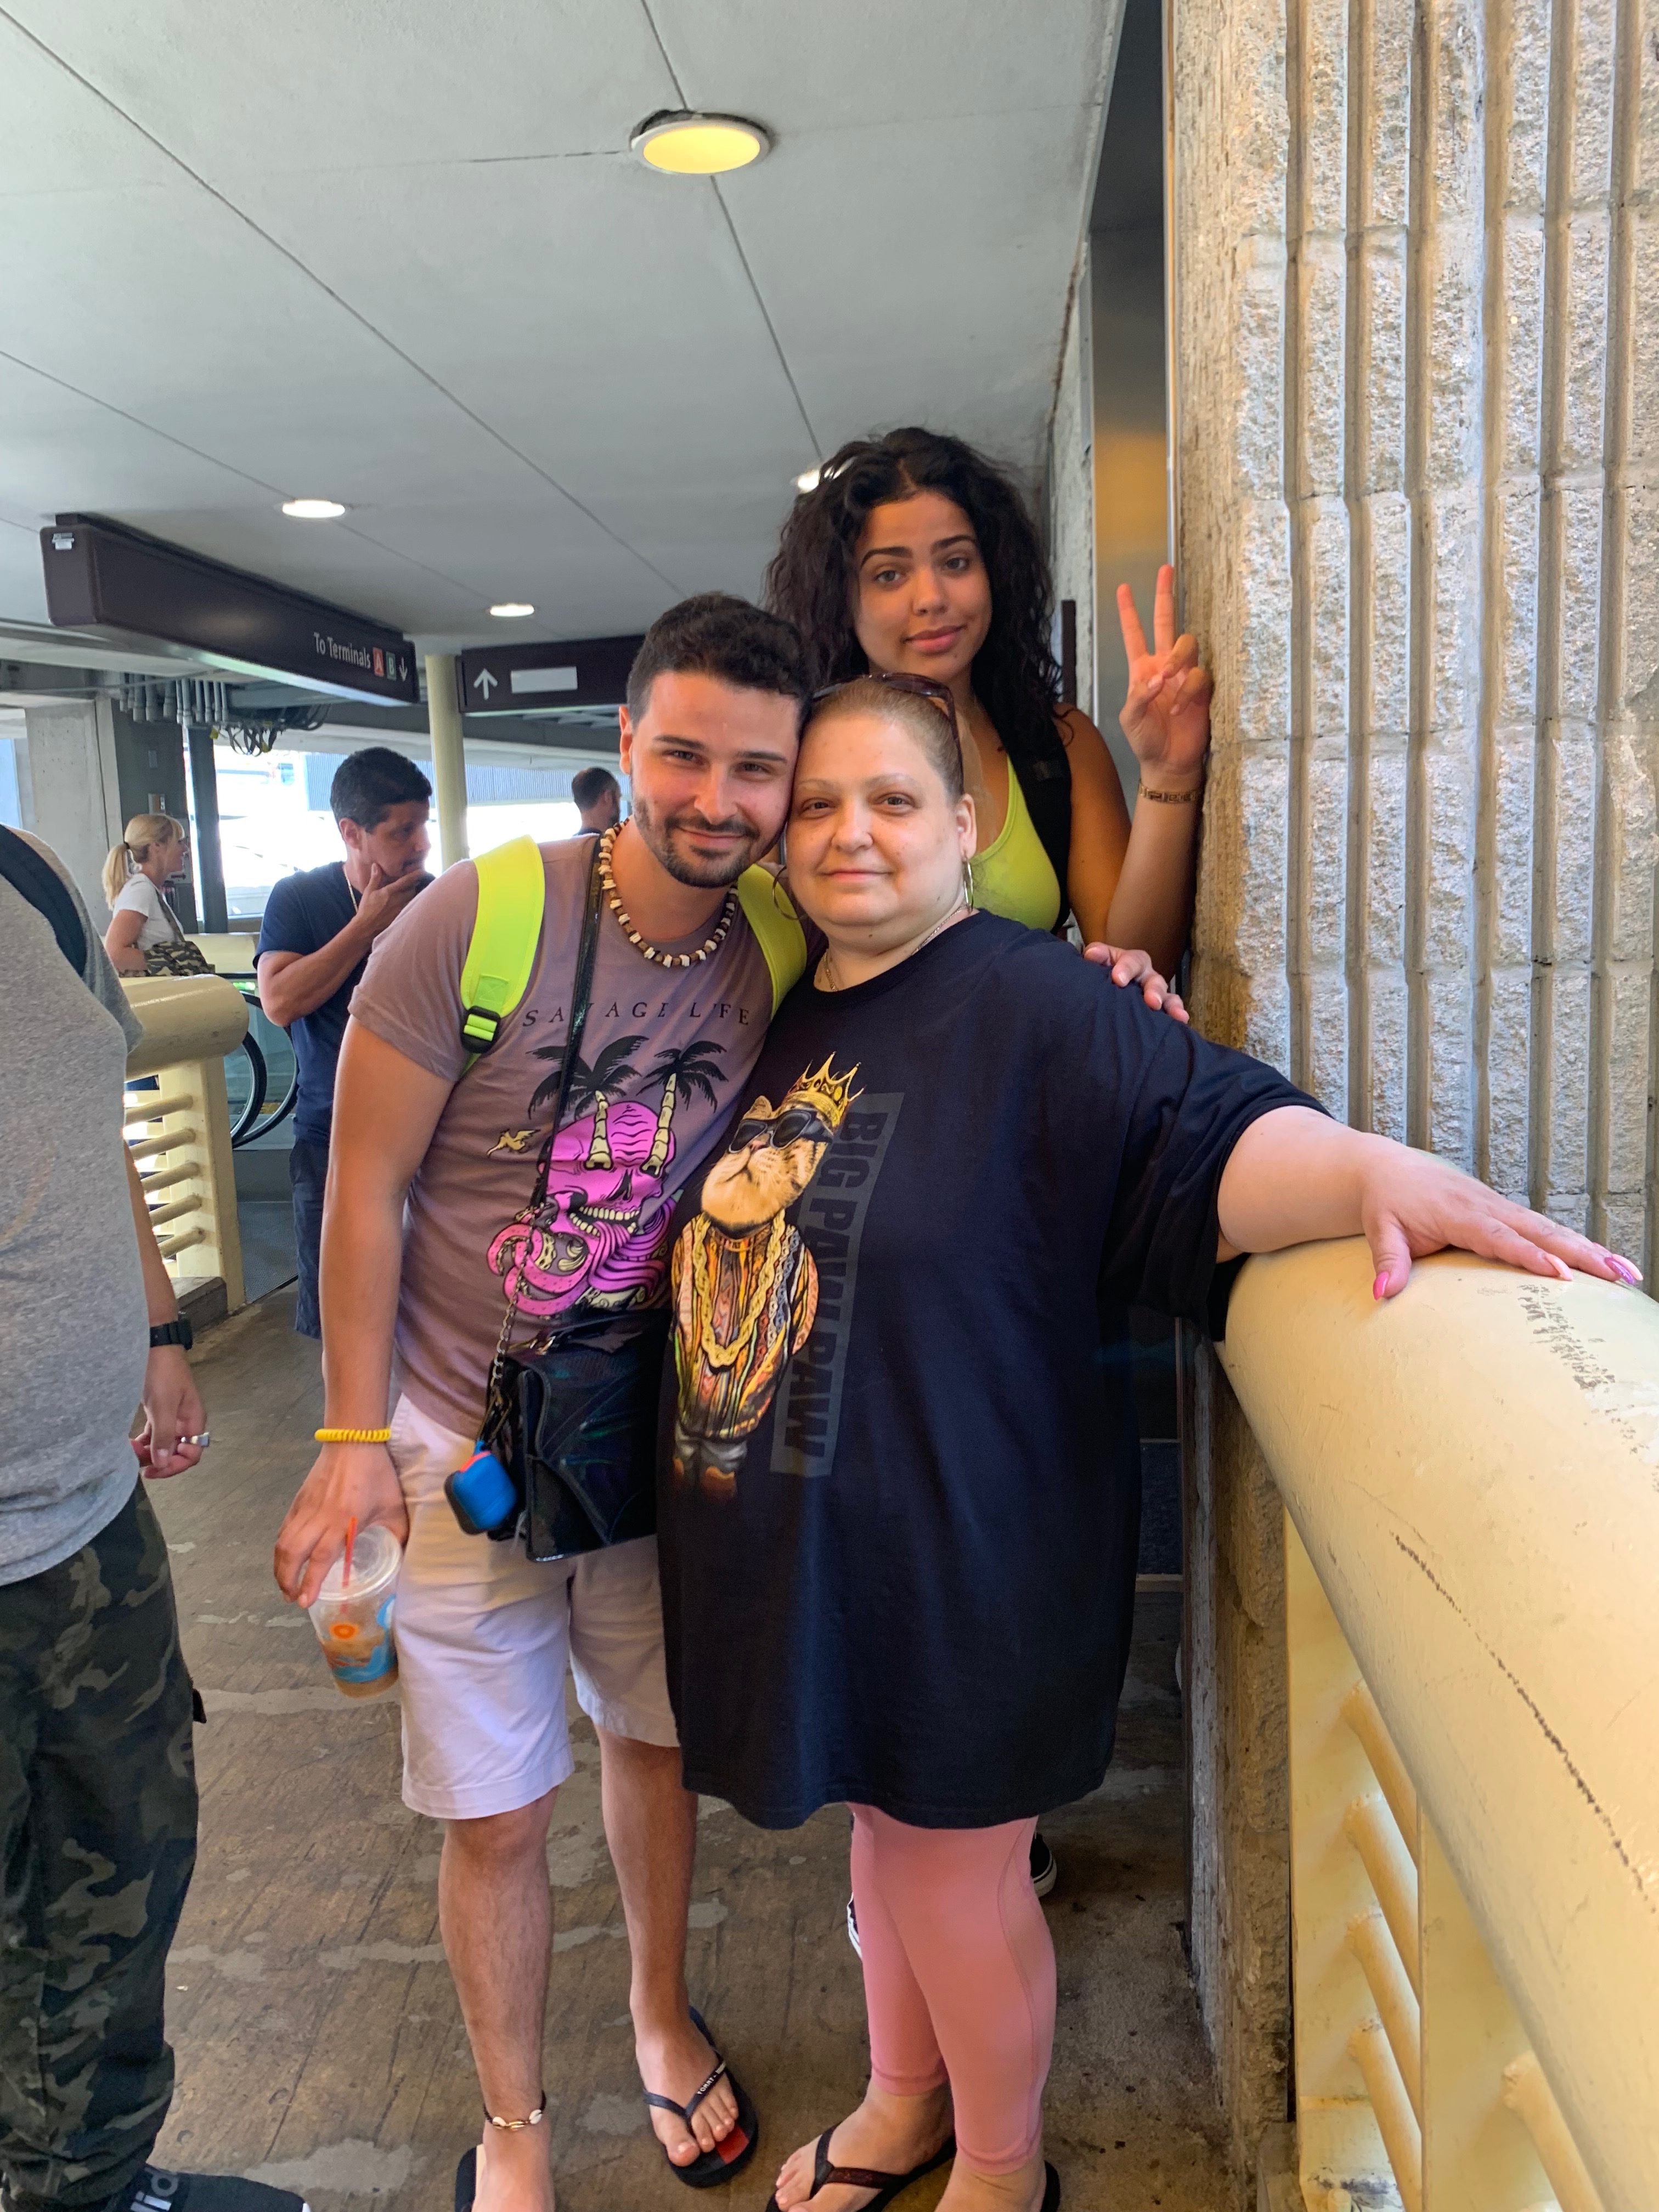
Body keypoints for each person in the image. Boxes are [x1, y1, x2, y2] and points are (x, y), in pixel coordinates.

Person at [653, 679, 1641, 2212]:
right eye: (822, 805)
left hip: (972, 1560)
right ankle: (904, 2102)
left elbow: (1203, 1137)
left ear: (967, 829)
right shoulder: (788, 1007)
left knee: (950, 1875)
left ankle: (1004, 2172)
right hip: (827, 1564)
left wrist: (1368, 1174)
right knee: (884, 1842)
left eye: (895, 801)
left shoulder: (1038, 1003)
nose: (852, 833)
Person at [0, 825, 306, 2212]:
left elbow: (99, 1123)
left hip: (89, 1517)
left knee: (118, 1875)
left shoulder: (26, 878)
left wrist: (161, 1327)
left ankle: (90, 2184)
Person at [766, 426, 1211, 977]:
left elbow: (1134, 964)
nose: (931, 598)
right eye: (889, 574)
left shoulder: (1057, 746)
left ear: (995, 573)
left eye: (955, 563)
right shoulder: (792, 749)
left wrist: (1169, 772)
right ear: (842, 600)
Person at [256, 748, 432, 1338]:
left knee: (429, 1313)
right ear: (351, 833)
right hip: (329, 1139)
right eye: (402, 831)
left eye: (423, 825)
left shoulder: (439, 899)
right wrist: (365, 927)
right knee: (340, 1320)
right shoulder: (300, 898)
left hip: (428, 1138)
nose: (421, 844)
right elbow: (279, 1001)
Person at [102, 814, 191, 974]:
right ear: (156, 846)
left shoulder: (146, 888)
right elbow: (114, 953)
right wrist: (176, 963)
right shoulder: (141, 890)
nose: (185, 849)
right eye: (179, 842)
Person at [571, 764, 622, 834]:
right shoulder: (623, 840)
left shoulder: (570, 841)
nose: (621, 810)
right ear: (607, 797)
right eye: (619, 798)